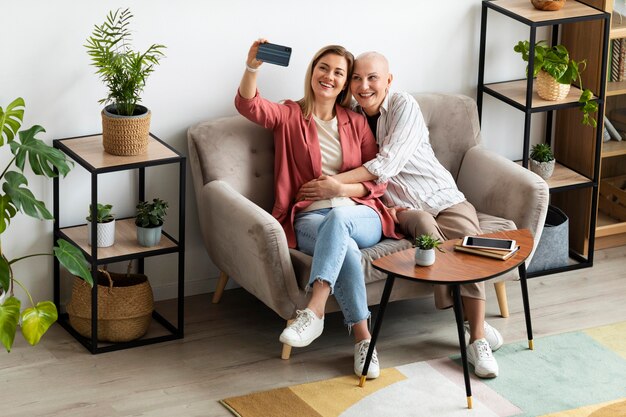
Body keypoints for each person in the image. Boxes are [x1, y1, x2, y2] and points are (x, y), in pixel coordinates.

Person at [297, 51, 504, 378]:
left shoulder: (404, 106)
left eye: (372, 78)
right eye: (356, 78)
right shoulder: (349, 116)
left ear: (388, 81)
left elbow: (387, 165)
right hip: (399, 213)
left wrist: (335, 184)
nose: (364, 86)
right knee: (422, 226)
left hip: (442, 198)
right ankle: (470, 323)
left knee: (467, 251)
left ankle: (475, 335)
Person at [234, 40, 402, 379]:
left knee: (341, 218)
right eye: (323, 68)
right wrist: (253, 66)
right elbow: (249, 105)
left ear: (345, 84)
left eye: (339, 72)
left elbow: (378, 180)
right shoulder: (289, 114)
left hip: (360, 212)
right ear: (312, 72)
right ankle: (364, 341)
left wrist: (339, 188)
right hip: (311, 218)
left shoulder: (355, 122)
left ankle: (314, 310)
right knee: (348, 252)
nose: (329, 76)